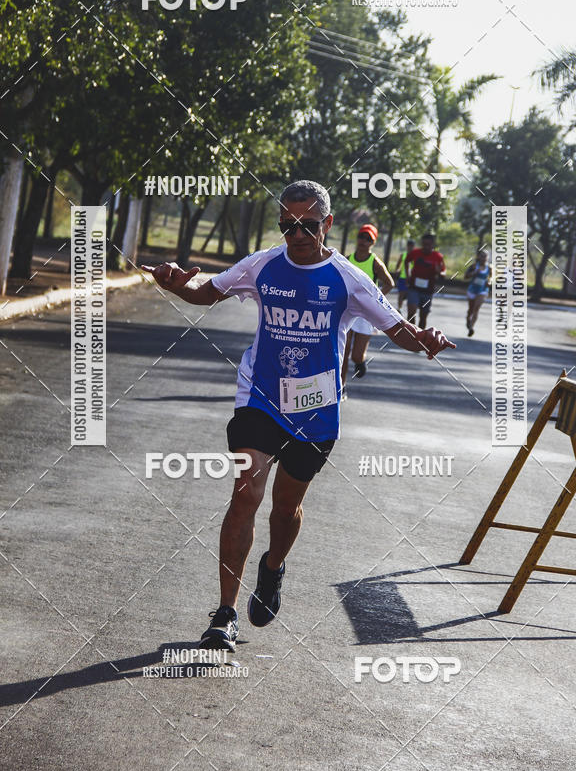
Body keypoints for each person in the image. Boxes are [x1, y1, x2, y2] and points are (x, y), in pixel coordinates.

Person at [142, 180, 455, 652]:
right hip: (261, 396)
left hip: (315, 409)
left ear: (327, 224)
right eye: (288, 225)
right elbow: (209, 292)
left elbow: (398, 328)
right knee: (246, 491)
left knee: (285, 508)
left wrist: (425, 339)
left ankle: (272, 569)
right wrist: (177, 283)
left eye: (308, 225)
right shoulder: (264, 264)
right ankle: (224, 614)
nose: (297, 234)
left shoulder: (349, 279)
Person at [341, 224, 394, 392]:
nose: (363, 241)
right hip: (349, 310)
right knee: (344, 351)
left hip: (366, 314)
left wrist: (373, 301)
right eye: (361, 237)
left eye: (368, 239)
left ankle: (360, 362)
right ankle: (341, 387)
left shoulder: (375, 263)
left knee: (356, 355)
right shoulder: (348, 259)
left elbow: (389, 284)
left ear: (373, 242)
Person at [406, 233, 446, 330]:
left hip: (428, 290)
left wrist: (440, 273)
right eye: (424, 244)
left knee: (423, 316)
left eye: (428, 244)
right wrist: (408, 275)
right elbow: (406, 261)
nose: (426, 247)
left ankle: (420, 336)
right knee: (412, 311)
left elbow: (444, 272)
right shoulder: (415, 253)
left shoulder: (438, 257)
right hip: (414, 287)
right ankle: (411, 334)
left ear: (433, 245)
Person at [465, 250, 492, 336]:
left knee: (476, 308)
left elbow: (491, 278)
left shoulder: (490, 268)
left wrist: (489, 282)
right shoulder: (473, 266)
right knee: (471, 310)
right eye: (482, 256)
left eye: (485, 256)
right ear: (478, 257)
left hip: (483, 290)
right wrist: (474, 273)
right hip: (472, 289)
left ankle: (471, 328)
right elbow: (465, 276)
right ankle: (468, 320)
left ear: (488, 258)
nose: (483, 258)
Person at [394, 239, 415, 312]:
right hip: (403, 277)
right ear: (407, 246)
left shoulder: (415, 256)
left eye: (411, 246)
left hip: (411, 279)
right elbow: (398, 265)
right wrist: (397, 270)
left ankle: (410, 309)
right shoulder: (403, 255)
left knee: (408, 295)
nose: (410, 247)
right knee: (401, 294)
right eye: (409, 246)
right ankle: (399, 309)